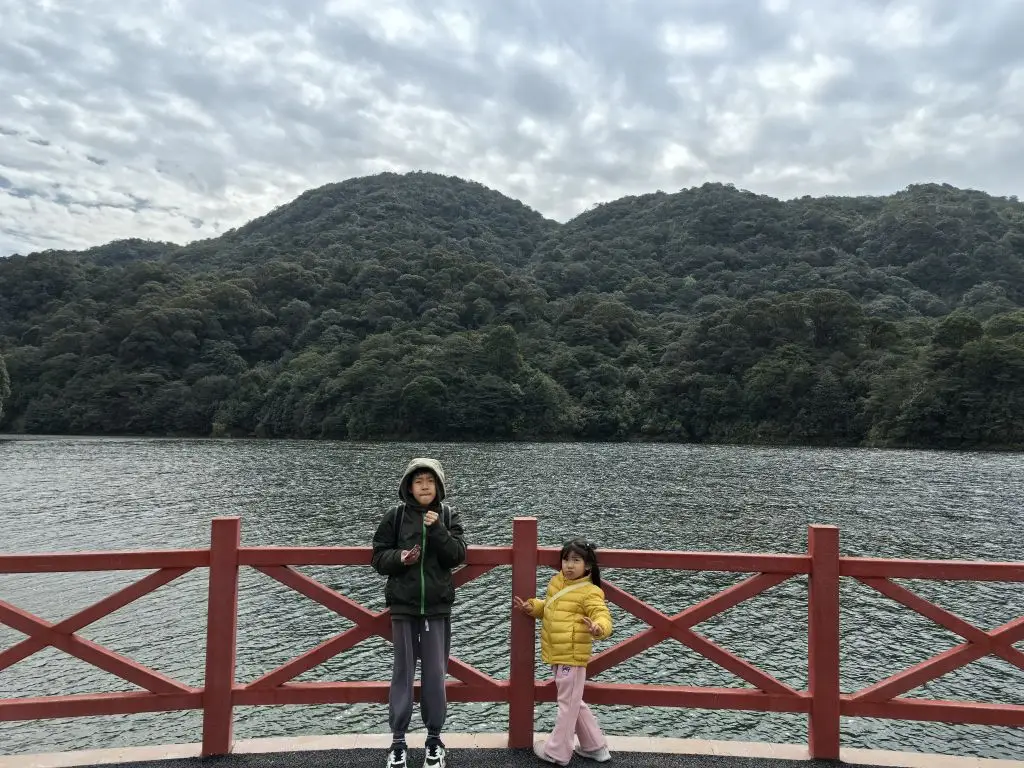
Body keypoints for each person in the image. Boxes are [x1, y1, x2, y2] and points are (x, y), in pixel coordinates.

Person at [372, 458, 467, 768]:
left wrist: (437, 528)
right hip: (404, 607)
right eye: (418, 481)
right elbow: (378, 556)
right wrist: (400, 557)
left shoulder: (448, 515)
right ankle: (398, 742)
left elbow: (456, 555)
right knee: (402, 673)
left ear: (438, 485)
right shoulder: (396, 516)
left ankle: (434, 740)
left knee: (435, 675)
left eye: (430, 480)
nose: (425, 486)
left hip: (437, 608)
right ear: (408, 487)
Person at [514, 537, 613, 766]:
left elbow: (602, 615)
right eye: (566, 560)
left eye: (576, 560)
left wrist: (598, 628)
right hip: (558, 652)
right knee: (573, 702)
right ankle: (595, 748)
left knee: (567, 705)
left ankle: (557, 752)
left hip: (572, 656)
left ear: (588, 565)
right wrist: (533, 607)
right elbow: (550, 608)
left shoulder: (590, 591)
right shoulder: (557, 582)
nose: (569, 565)